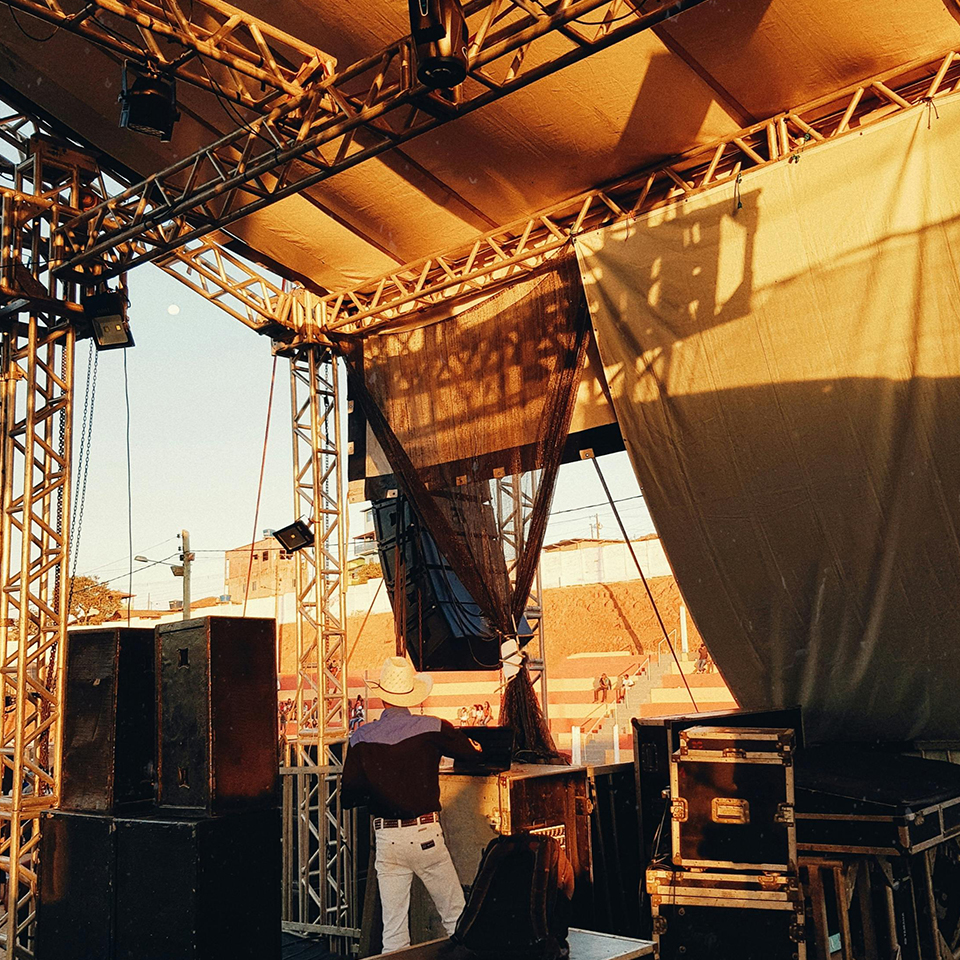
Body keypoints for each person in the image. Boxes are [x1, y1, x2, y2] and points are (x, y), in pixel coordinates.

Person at [342, 656, 481, 953]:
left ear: (383, 696)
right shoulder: (433, 727)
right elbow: (472, 754)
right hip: (425, 834)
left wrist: (380, 789)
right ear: (411, 695)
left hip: (387, 838)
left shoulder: (361, 737)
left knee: (393, 933)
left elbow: (349, 795)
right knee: (455, 917)